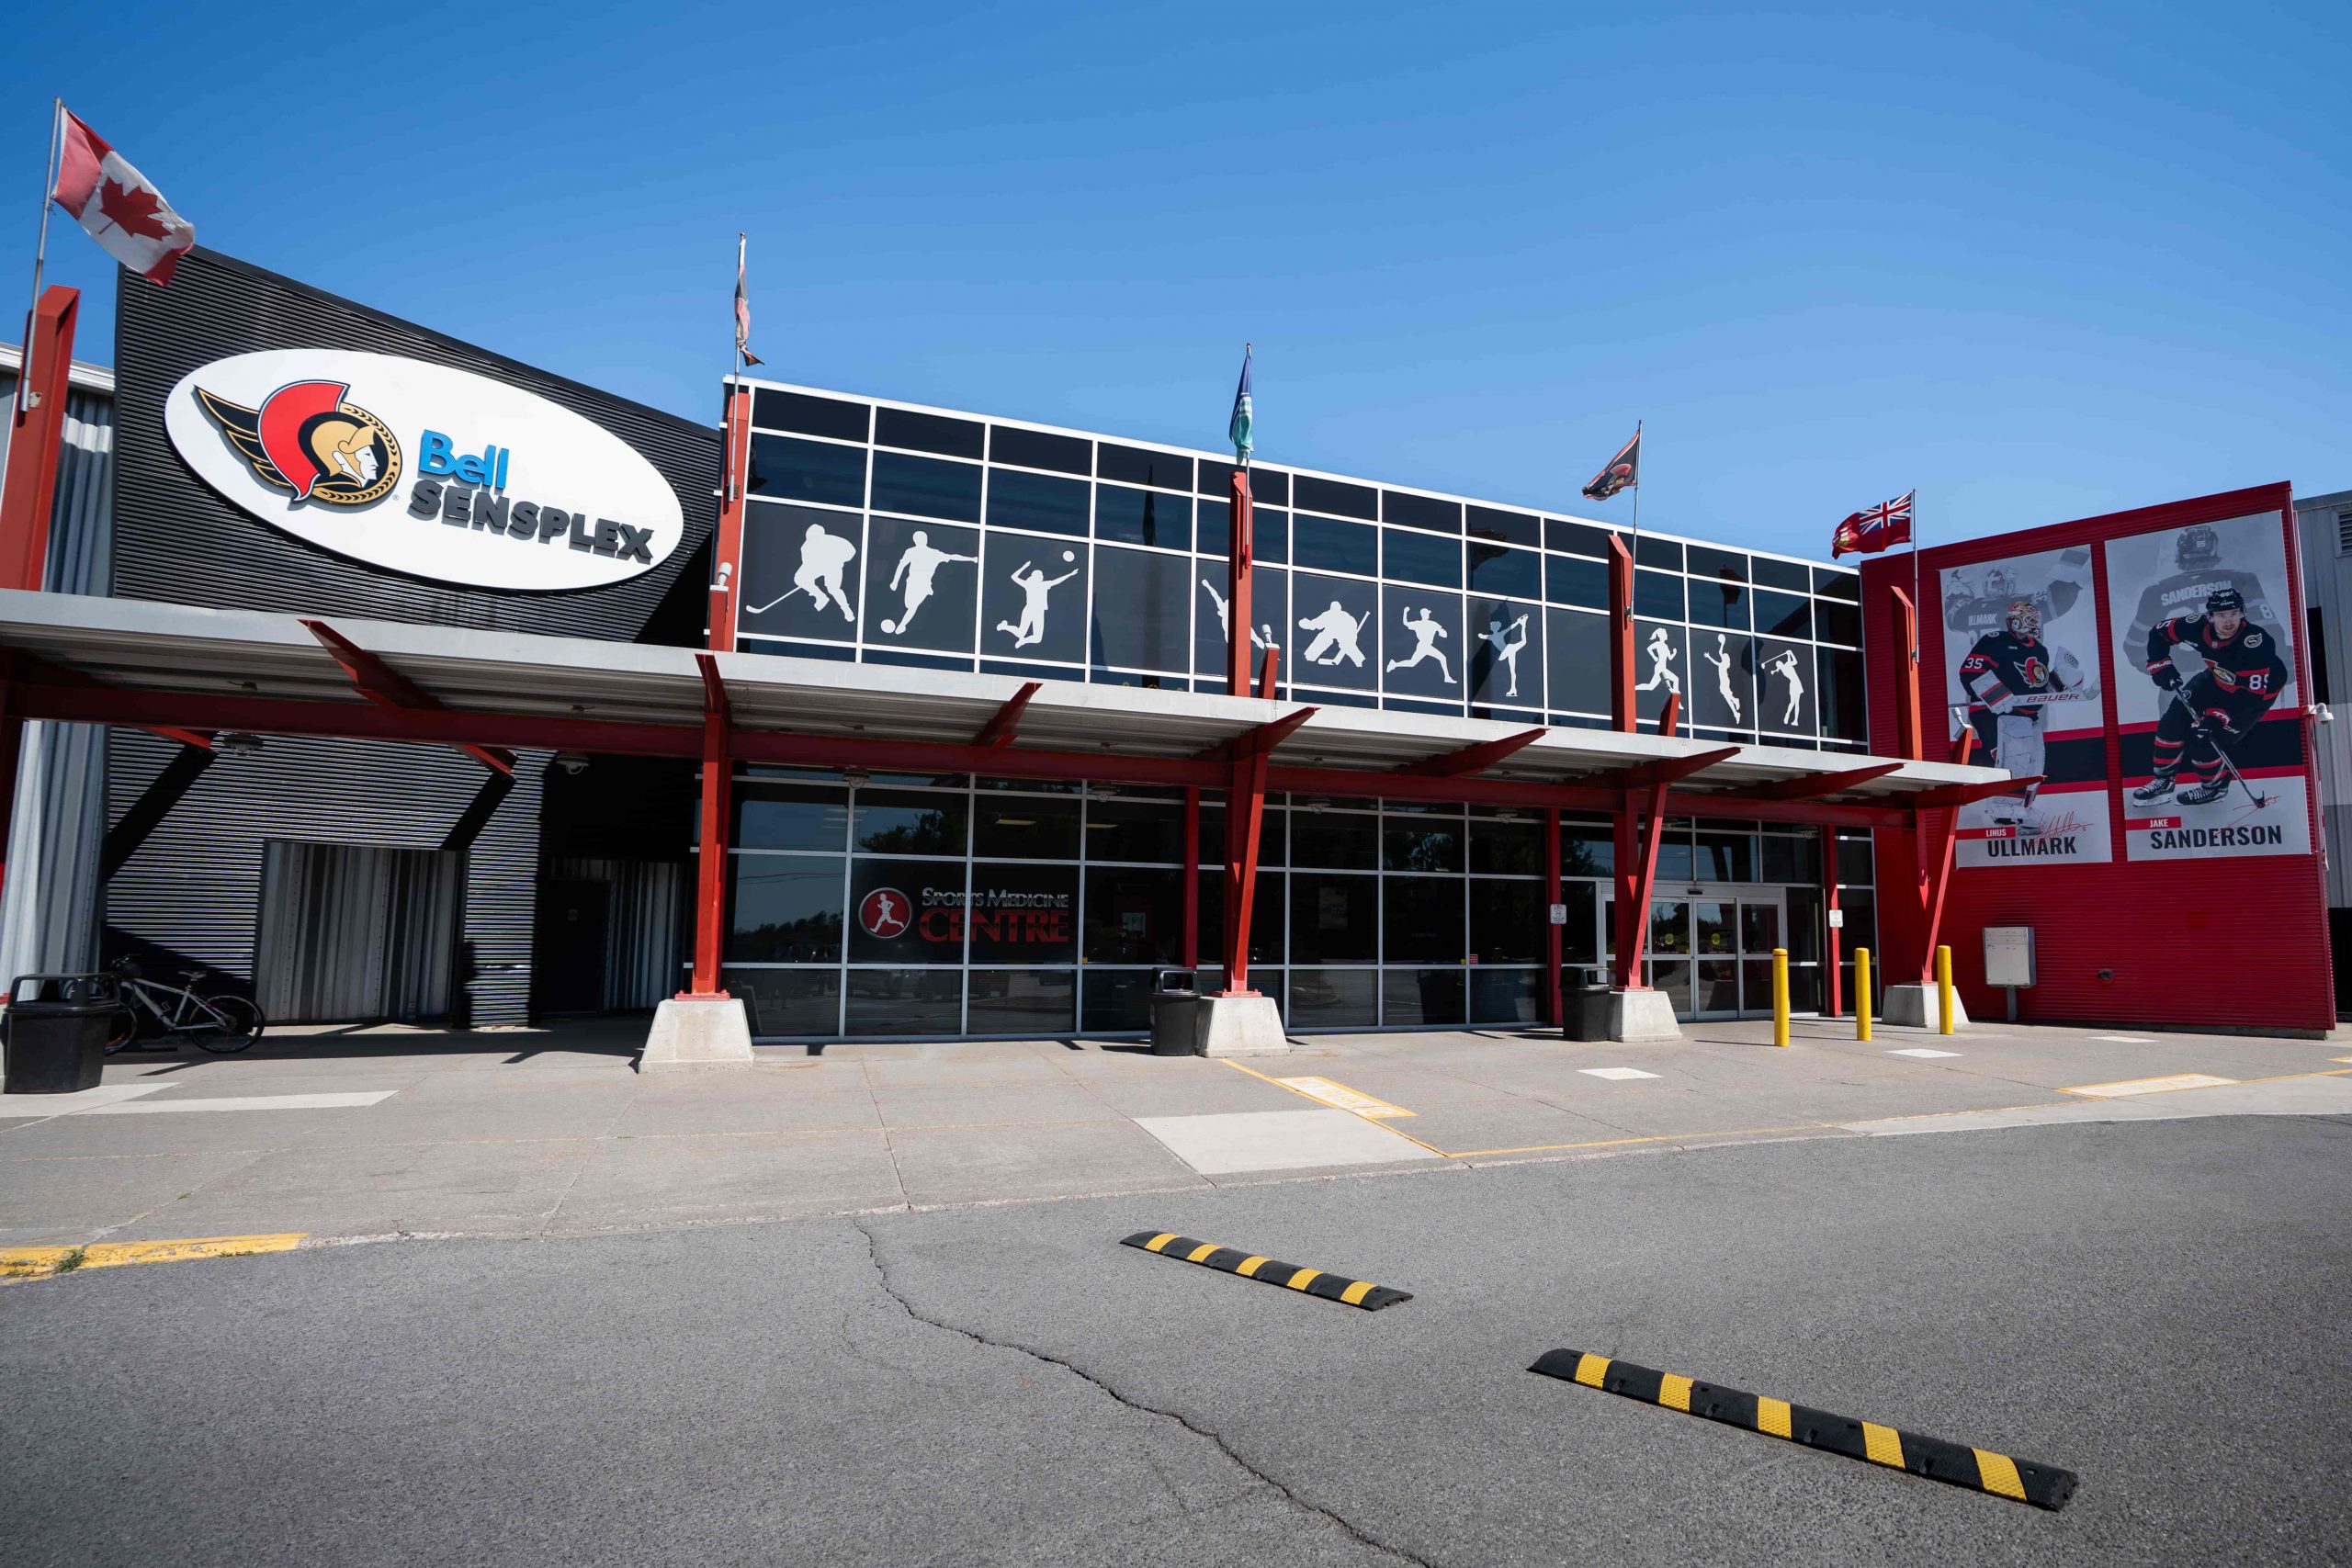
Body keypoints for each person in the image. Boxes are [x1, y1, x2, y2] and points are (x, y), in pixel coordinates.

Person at [2130, 587, 2287, 807]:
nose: (2228, 621)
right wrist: (2160, 665)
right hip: (2218, 677)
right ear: (2210, 617)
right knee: (2171, 721)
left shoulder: (2256, 643)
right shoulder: (2195, 626)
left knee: (2204, 738)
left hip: (2254, 695)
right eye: (2222, 615)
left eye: (2234, 613)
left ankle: (2215, 788)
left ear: (2242, 613)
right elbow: (2159, 632)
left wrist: (2216, 716)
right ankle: (2163, 780)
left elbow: (2250, 695)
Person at [1959, 599, 2082, 826]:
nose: (2034, 624)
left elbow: (2039, 686)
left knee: (2035, 763)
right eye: (2029, 619)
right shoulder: (1995, 642)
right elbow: (1970, 671)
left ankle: (2024, 809)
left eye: (2036, 619)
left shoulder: (2040, 650)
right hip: (1995, 715)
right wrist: (1996, 696)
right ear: (2014, 621)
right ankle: (2004, 810)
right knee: (2012, 761)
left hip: (2028, 717)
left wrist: (2064, 678)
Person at [2119, 525, 2278, 666]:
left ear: (2180, 552)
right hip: (2233, 673)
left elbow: (2134, 647)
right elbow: (2269, 629)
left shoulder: (2154, 593)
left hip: (2181, 681)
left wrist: (2163, 669)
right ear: (2213, 549)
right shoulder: (2243, 581)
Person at [750, 522, 857, 621]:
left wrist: (837, 560)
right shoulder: (812, 544)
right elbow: (808, 564)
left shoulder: (822, 542)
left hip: (831, 566)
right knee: (826, 586)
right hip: (824, 566)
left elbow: (850, 551)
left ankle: (836, 604)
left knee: (808, 581)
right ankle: (827, 600)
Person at [880, 530, 977, 635]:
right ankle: (903, 623)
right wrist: (895, 582)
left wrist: (971, 559)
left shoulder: (932, 553)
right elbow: (901, 566)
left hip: (923, 584)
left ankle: (902, 625)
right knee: (909, 605)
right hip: (912, 583)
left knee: (912, 606)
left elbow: (953, 556)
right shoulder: (912, 551)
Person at [994, 558, 1077, 649]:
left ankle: (1023, 641)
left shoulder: (1043, 584)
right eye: (1040, 575)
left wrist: (1070, 574)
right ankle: (1005, 626)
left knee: (1037, 639)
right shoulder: (1029, 584)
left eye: (1041, 575)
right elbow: (1013, 577)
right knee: (1021, 632)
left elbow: (1056, 581)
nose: (1042, 576)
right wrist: (1024, 567)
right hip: (1030, 609)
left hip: (1039, 611)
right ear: (1035, 576)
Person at [1385, 605, 1455, 682]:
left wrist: (1442, 632)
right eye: (1427, 613)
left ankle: (1394, 664)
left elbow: (1444, 633)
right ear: (1424, 614)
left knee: (1412, 663)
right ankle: (1447, 677)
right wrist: (1405, 612)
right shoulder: (1421, 623)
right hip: (1424, 646)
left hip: (1426, 646)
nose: (1428, 614)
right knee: (1442, 658)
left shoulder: (1431, 624)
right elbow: (1406, 623)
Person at [1297, 600, 1371, 667]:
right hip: (1338, 631)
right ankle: (1361, 662)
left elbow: (1315, 624)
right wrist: (1308, 624)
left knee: (1345, 645)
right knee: (1325, 639)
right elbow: (1316, 624)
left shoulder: (1331, 614)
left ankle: (1308, 658)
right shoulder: (1344, 616)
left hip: (1345, 632)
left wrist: (1307, 624)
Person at [1479, 611, 1530, 698]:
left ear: (1495, 627)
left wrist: (1481, 635)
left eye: (1491, 626)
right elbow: (1510, 627)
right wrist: (1518, 622)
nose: (1491, 627)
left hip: (1507, 650)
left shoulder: (1494, 635)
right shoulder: (1494, 635)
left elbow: (1510, 627)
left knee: (1512, 669)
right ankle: (1513, 689)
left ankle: (1513, 689)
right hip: (1507, 650)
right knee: (1512, 669)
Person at [1703, 633, 1742, 724]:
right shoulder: (1722, 664)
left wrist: (1722, 644)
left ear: (1726, 658)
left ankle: (1736, 711)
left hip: (1725, 681)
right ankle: (1735, 705)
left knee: (1726, 696)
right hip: (1724, 682)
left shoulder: (1723, 664)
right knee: (1727, 696)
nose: (1722, 656)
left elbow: (1719, 655)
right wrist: (1722, 644)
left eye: (1724, 656)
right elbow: (1718, 656)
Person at [1764, 649, 1805, 727]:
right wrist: (1790, 653)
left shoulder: (1783, 669)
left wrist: (1788, 654)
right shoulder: (1786, 665)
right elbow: (1795, 662)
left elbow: (1781, 666)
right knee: (1796, 703)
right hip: (1796, 683)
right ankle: (1793, 719)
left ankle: (1792, 718)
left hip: (1793, 684)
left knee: (1793, 703)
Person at [1636, 626, 1680, 694]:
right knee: (1674, 680)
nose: (1667, 635)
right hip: (1660, 667)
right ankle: (1677, 700)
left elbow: (1670, 658)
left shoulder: (1666, 646)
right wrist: (1654, 657)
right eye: (1666, 634)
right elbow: (1649, 648)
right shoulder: (1658, 644)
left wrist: (1674, 653)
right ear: (1662, 636)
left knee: (1651, 687)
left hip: (1663, 668)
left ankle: (1634, 688)